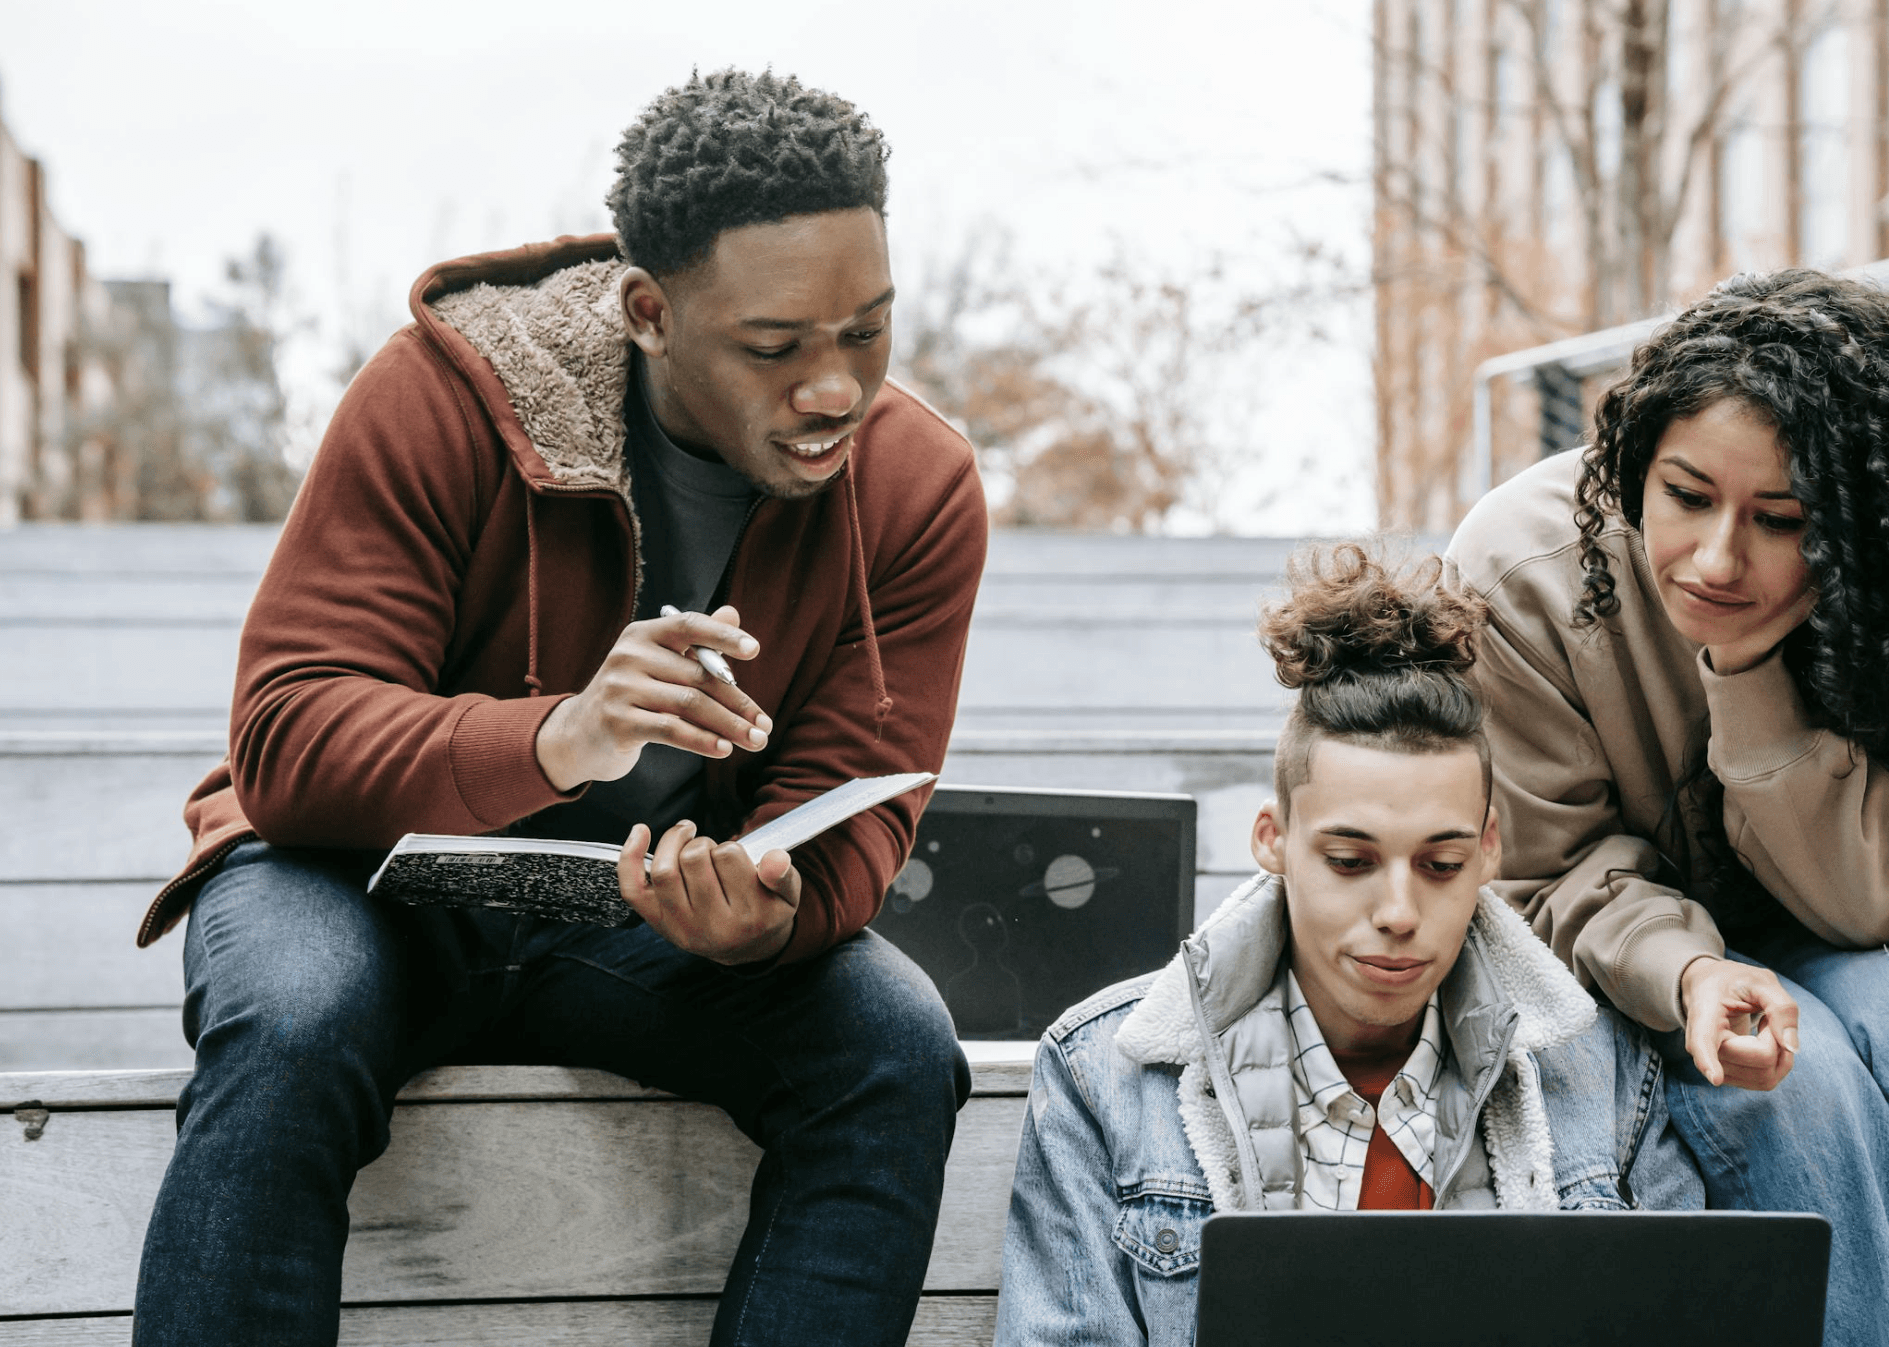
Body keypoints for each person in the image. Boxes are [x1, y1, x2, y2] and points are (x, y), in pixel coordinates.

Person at [129, 70, 987, 1347]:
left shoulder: (919, 486)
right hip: (353, 880)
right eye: (774, 346)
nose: (834, 390)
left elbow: (861, 793)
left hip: (624, 918)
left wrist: (770, 915)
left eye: (867, 330)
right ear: (649, 310)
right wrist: (556, 735)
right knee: (295, 1022)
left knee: (898, 1045)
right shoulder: (444, 393)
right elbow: (286, 734)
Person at [1447, 269, 1889, 1347]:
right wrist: (1691, 968)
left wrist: (1748, 674)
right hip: (1628, 972)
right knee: (1793, 1074)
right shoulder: (1518, 567)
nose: (1719, 557)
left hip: (1849, 937)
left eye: (1780, 520)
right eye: (1685, 497)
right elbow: (1543, 871)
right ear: (1634, 466)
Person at [992, 547, 1702, 1346]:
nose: (1398, 911)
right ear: (1273, 841)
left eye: (1441, 864)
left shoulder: (1604, 1076)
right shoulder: (1106, 1077)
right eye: (1350, 862)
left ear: (1491, 849)